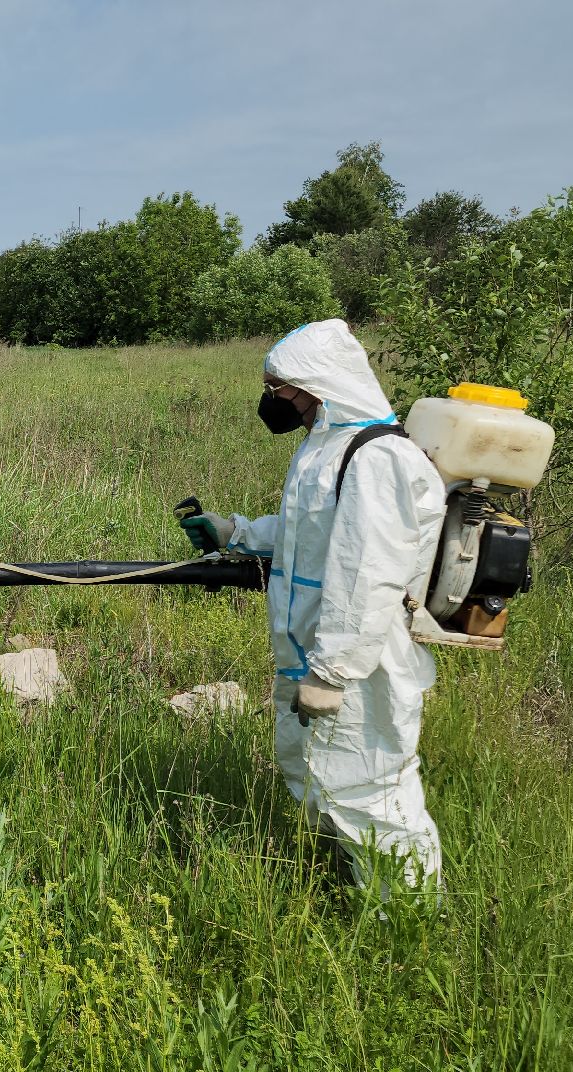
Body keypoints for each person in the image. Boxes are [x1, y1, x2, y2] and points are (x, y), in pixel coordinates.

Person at [178, 320, 447, 891]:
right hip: (309, 650)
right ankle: (355, 883)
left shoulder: (378, 459)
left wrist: (333, 672)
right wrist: (237, 532)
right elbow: (310, 535)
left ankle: (406, 917)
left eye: (280, 386)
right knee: (319, 776)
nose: (272, 399)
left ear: (319, 384)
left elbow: (367, 575)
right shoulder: (325, 446)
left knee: (369, 788)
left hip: (356, 667)